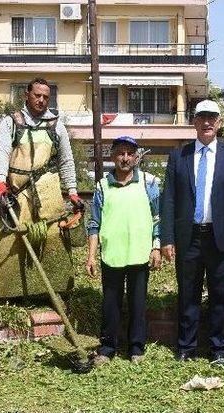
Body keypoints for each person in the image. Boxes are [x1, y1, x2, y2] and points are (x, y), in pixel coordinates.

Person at [160, 100, 224, 362]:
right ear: (194, 122)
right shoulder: (179, 156)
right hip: (189, 236)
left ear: (219, 123)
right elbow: (169, 200)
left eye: (212, 118)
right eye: (202, 118)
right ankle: (186, 347)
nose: (207, 123)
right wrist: (167, 238)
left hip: (221, 237)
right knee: (188, 293)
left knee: (222, 294)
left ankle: (219, 348)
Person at [0, 77, 84, 298]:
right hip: (18, 190)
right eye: (37, 95)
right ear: (26, 95)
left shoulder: (56, 125)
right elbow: (2, 152)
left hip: (48, 188)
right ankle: (12, 292)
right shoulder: (11, 122)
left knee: (54, 236)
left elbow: (66, 161)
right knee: (14, 239)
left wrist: (72, 192)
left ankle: (57, 288)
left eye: (46, 97)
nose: (41, 100)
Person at [86, 136, 161, 365]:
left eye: (130, 153)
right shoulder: (101, 186)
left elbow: (158, 218)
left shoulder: (149, 182)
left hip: (140, 254)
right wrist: (91, 256)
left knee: (138, 303)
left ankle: (136, 348)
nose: (125, 158)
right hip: (112, 255)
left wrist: (156, 247)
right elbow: (94, 224)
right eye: (120, 153)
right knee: (110, 304)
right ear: (113, 156)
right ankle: (107, 348)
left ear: (137, 157)